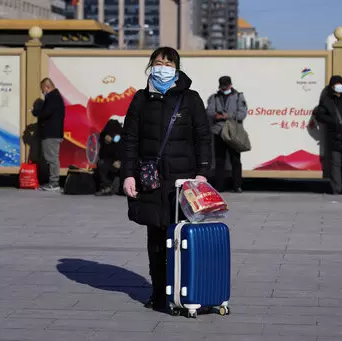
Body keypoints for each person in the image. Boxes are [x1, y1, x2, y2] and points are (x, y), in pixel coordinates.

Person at [121, 47, 211, 311]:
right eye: (158, 62)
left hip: (183, 184)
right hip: (151, 181)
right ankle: (158, 292)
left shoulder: (191, 99)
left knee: (183, 238)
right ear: (151, 65)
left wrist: (203, 172)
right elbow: (130, 140)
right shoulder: (140, 99)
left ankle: (185, 292)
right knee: (156, 240)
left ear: (177, 67)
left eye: (168, 62)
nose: (162, 66)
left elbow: (203, 138)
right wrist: (127, 174)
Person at [206, 76, 248, 193]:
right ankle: (219, 186)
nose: (224, 89)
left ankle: (237, 185)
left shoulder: (239, 96)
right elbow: (209, 112)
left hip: (233, 132)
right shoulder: (214, 97)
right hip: (218, 132)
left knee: (235, 159)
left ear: (230, 85)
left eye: (226, 86)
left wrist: (227, 116)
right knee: (219, 160)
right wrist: (216, 116)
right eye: (222, 87)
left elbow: (242, 113)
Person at [32, 78, 65, 191]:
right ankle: (53, 181)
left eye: (42, 90)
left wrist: (35, 112)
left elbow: (46, 113)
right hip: (53, 133)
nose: (43, 92)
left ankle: (54, 182)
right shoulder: (55, 97)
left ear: (47, 87)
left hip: (52, 134)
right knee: (51, 158)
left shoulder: (52, 97)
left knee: (52, 158)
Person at [95, 119, 123, 196]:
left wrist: (120, 160)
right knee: (101, 164)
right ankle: (106, 187)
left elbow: (125, 151)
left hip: (121, 161)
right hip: (109, 161)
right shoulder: (103, 138)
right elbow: (102, 155)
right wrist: (106, 141)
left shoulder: (121, 137)